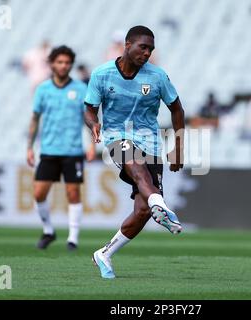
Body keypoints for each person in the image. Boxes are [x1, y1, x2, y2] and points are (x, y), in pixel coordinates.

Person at [84, 26, 185, 279]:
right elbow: (89, 108)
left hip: (150, 143)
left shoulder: (158, 77)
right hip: (118, 137)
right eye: (143, 47)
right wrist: (93, 123)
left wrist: (179, 148)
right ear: (127, 45)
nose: (147, 53)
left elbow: (177, 110)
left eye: (150, 49)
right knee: (137, 168)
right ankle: (161, 205)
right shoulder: (102, 74)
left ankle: (104, 254)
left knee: (142, 211)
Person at [27, 45, 95, 251]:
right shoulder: (43, 89)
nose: (64, 66)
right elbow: (35, 119)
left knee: (73, 193)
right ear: (52, 64)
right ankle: (49, 230)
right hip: (48, 150)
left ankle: (73, 239)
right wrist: (29, 147)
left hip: (73, 151)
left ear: (71, 65)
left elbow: (89, 118)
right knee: (39, 194)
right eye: (60, 62)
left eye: (67, 62)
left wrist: (92, 144)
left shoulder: (81, 89)